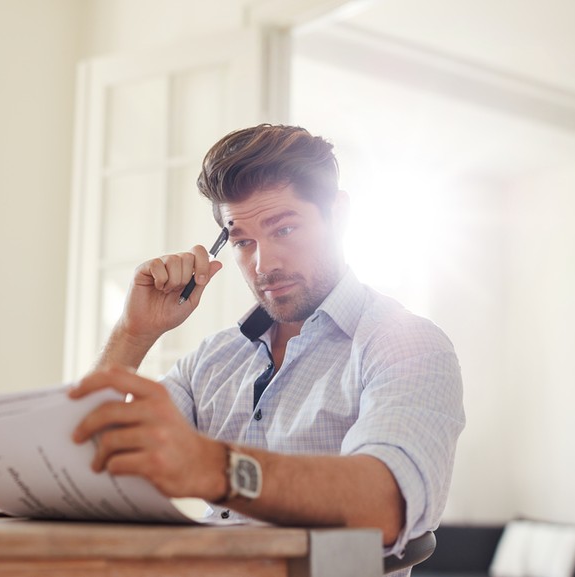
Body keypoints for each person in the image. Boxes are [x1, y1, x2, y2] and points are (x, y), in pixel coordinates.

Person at [69, 124, 465, 564]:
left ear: (338, 215)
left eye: (285, 230)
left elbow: (386, 502)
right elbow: (82, 461)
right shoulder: (214, 360)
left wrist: (215, 468)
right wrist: (133, 334)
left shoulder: (405, 344)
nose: (265, 264)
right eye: (242, 241)